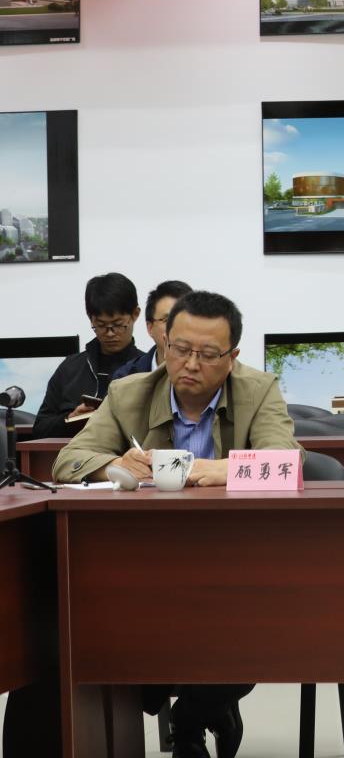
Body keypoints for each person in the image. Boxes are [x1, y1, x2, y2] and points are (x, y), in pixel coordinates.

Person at [51, 288, 299, 758]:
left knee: (265, 627)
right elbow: (69, 460)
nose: (190, 364)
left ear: (232, 358)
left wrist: (223, 470)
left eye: (208, 354)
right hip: (149, 557)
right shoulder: (128, 392)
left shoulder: (259, 389)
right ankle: (195, 710)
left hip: (238, 557)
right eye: (180, 349)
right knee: (107, 623)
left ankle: (190, 718)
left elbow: (286, 462)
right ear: (164, 343)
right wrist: (113, 465)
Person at [29, 272, 144, 440]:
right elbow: (40, 429)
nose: (110, 333)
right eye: (101, 325)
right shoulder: (70, 368)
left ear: (135, 314)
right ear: (90, 319)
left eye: (118, 325)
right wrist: (70, 419)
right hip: (72, 453)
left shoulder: (146, 368)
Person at [118, 279, 194, 377]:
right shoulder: (126, 377)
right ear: (150, 328)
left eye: (185, 319)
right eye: (168, 320)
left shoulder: (209, 374)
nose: (178, 328)